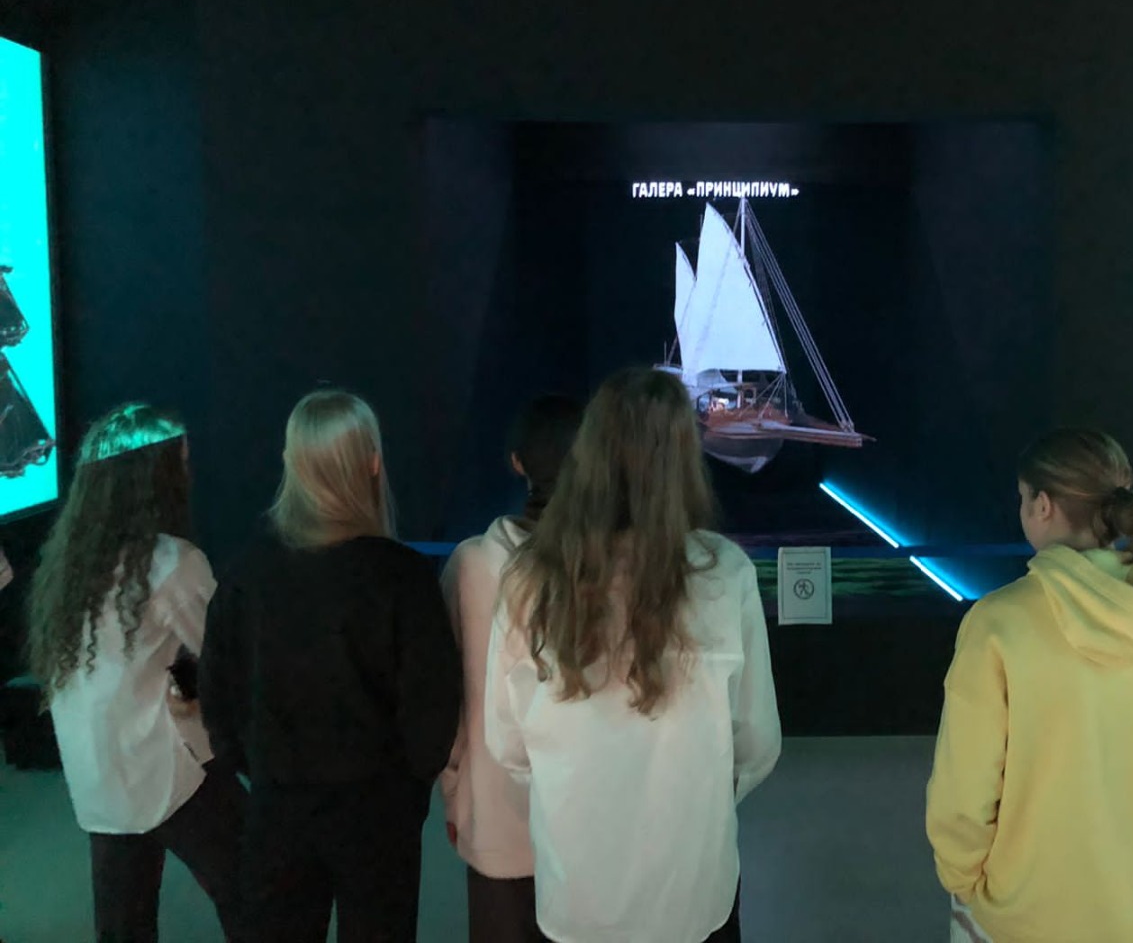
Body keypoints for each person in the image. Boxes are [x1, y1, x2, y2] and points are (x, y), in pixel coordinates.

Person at [485, 368, 782, 943]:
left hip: (575, 898)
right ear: (684, 461)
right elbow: (756, 745)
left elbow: (508, 746)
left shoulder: (527, 581)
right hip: (694, 895)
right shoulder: (726, 575)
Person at [926, 428, 1133, 943]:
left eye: (1022, 497)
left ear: (1043, 505)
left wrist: (964, 878)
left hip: (1028, 917)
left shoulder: (997, 625)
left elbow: (964, 791)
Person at [199, 388, 462, 943]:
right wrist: (410, 787)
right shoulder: (404, 577)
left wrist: (260, 766)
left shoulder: (246, 574)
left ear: (290, 462)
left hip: (277, 806)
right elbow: (433, 707)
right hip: (380, 811)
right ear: (373, 463)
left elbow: (217, 696)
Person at [26, 403, 245, 943]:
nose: (189, 475)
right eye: (181, 464)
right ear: (155, 479)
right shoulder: (173, 562)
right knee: (256, 889)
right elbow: (226, 658)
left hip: (98, 776)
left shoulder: (68, 564)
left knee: (124, 923)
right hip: (167, 768)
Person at [440, 395, 584, 943]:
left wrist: (456, 793)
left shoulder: (471, 565)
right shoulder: (617, 572)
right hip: (594, 833)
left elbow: (448, 705)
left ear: (517, 463)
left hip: (497, 825)